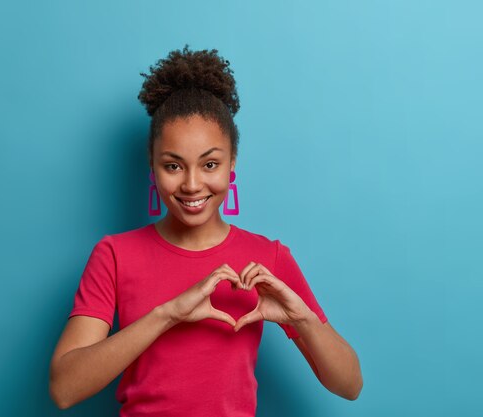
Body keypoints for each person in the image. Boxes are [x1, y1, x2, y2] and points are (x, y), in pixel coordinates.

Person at [49, 45, 363, 415]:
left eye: (210, 164)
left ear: (232, 164)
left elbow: (350, 385)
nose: (193, 185)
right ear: (152, 166)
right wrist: (167, 315)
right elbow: (64, 388)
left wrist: (303, 320)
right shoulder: (115, 255)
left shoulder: (269, 258)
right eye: (174, 166)